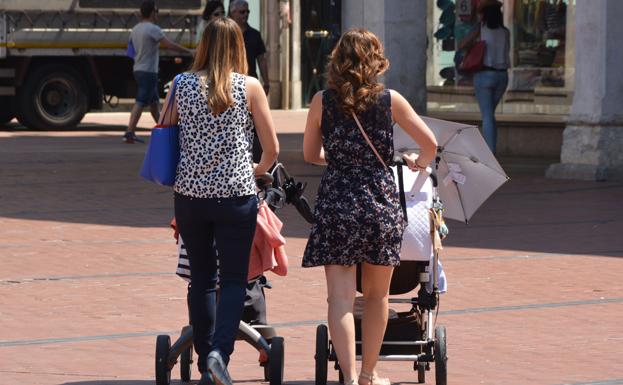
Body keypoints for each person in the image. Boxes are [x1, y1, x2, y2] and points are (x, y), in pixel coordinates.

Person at [302, 29, 437, 385]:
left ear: (338, 60)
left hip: (337, 200)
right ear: (375, 60)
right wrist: (416, 162)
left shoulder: (321, 100)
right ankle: (368, 374)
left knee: (340, 299)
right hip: (379, 201)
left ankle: (346, 377)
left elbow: (309, 155)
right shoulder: (390, 100)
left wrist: (343, 156)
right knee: (377, 297)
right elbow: (430, 144)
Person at [158, 17, 279, 385]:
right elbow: (272, 149)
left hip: (191, 197)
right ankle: (217, 355)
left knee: (201, 279)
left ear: (203, 45)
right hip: (235, 195)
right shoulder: (250, 86)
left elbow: (164, 128)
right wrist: (254, 169)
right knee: (232, 279)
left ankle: (203, 358)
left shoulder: (181, 85)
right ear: (238, 47)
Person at [124, 0, 193, 144]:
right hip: (148, 71)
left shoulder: (135, 29)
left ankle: (165, 130)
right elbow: (168, 45)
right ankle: (129, 132)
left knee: (154, 103)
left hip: (138, 68)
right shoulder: (153, 29)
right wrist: (189, 51)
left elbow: (130, 51)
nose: (158, 14)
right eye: (157, 11)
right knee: (141, 101)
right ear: (152, 12)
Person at [459, 0, 510, 154]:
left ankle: (489, 153)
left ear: (485, 15)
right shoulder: (505, 32)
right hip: (502, 76)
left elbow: (462, 45)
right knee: (489, 115)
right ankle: (488, 148)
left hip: (484, 75)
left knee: (487, 116)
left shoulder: (481, 29)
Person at [228, 0, 270, 95]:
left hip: (250, 81)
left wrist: (266, 83)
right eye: (242, 12)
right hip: (230, 82)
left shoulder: (255, 34)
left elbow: (261, 59)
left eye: (248, 12)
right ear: (233, 13)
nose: (246, 14)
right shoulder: (226, 34)